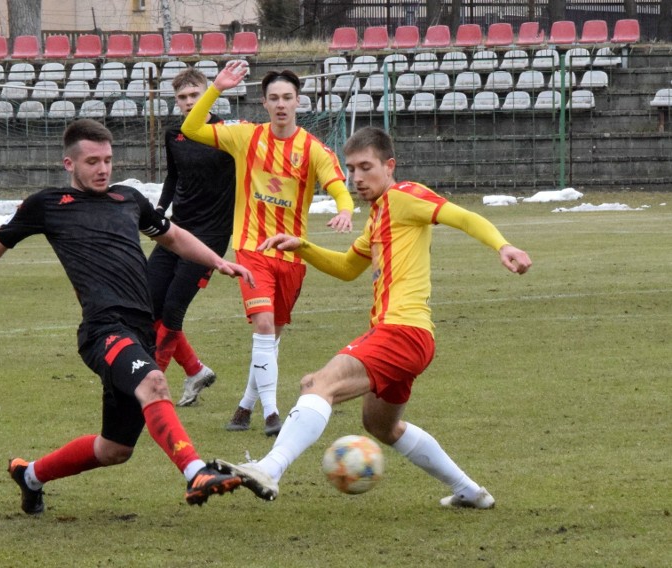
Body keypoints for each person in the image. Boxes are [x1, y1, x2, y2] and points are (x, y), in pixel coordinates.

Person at [0, 119, 253, 514]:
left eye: (108, 160)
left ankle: (30, 476)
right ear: (69, 164)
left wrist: (217, 260)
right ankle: (196, 472)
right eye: (92, 161)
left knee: (115, 449)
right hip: (102, 331)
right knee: (155, 382)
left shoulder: (129, 199)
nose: (103, 169)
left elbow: (173, 237)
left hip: (138, 332)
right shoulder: (48, 205)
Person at [213, 126, 532, 508]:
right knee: (380, 425)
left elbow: (460, 216)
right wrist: (303, 247)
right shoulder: (379, 215)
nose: (357, 178)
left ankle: (270, 468)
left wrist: (503, 245)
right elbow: (348, 267)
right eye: (350, 169)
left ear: (389, 165)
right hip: (409, 336)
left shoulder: (404, 195)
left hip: (402, 330)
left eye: (366, 167)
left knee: (319, 384)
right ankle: (470, 491)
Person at [180, 61, 355, 436]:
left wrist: (344, 208)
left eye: (287, 98)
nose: (280, 104)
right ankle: (273, 414)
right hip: (252, 250)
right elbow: (190, 127)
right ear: (264, 102)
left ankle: (244, 406)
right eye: (273, 97)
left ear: (298, 102)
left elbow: (338, 185)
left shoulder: (313, 149)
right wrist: (217, 88)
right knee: (262, 326)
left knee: (270, 338)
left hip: (292, 256)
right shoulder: (245, 136)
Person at [147, 68, 236, 407]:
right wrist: (159, 207)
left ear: (207, 95)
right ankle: (195, 370)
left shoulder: (227, 135)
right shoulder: (176, 136)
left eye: (193, 95)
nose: (187, 102)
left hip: (210, 238)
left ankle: (151, 388)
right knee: (148, 303)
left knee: (172, 310)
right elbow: (173, 178)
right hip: (176, 231)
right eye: (182, 97)